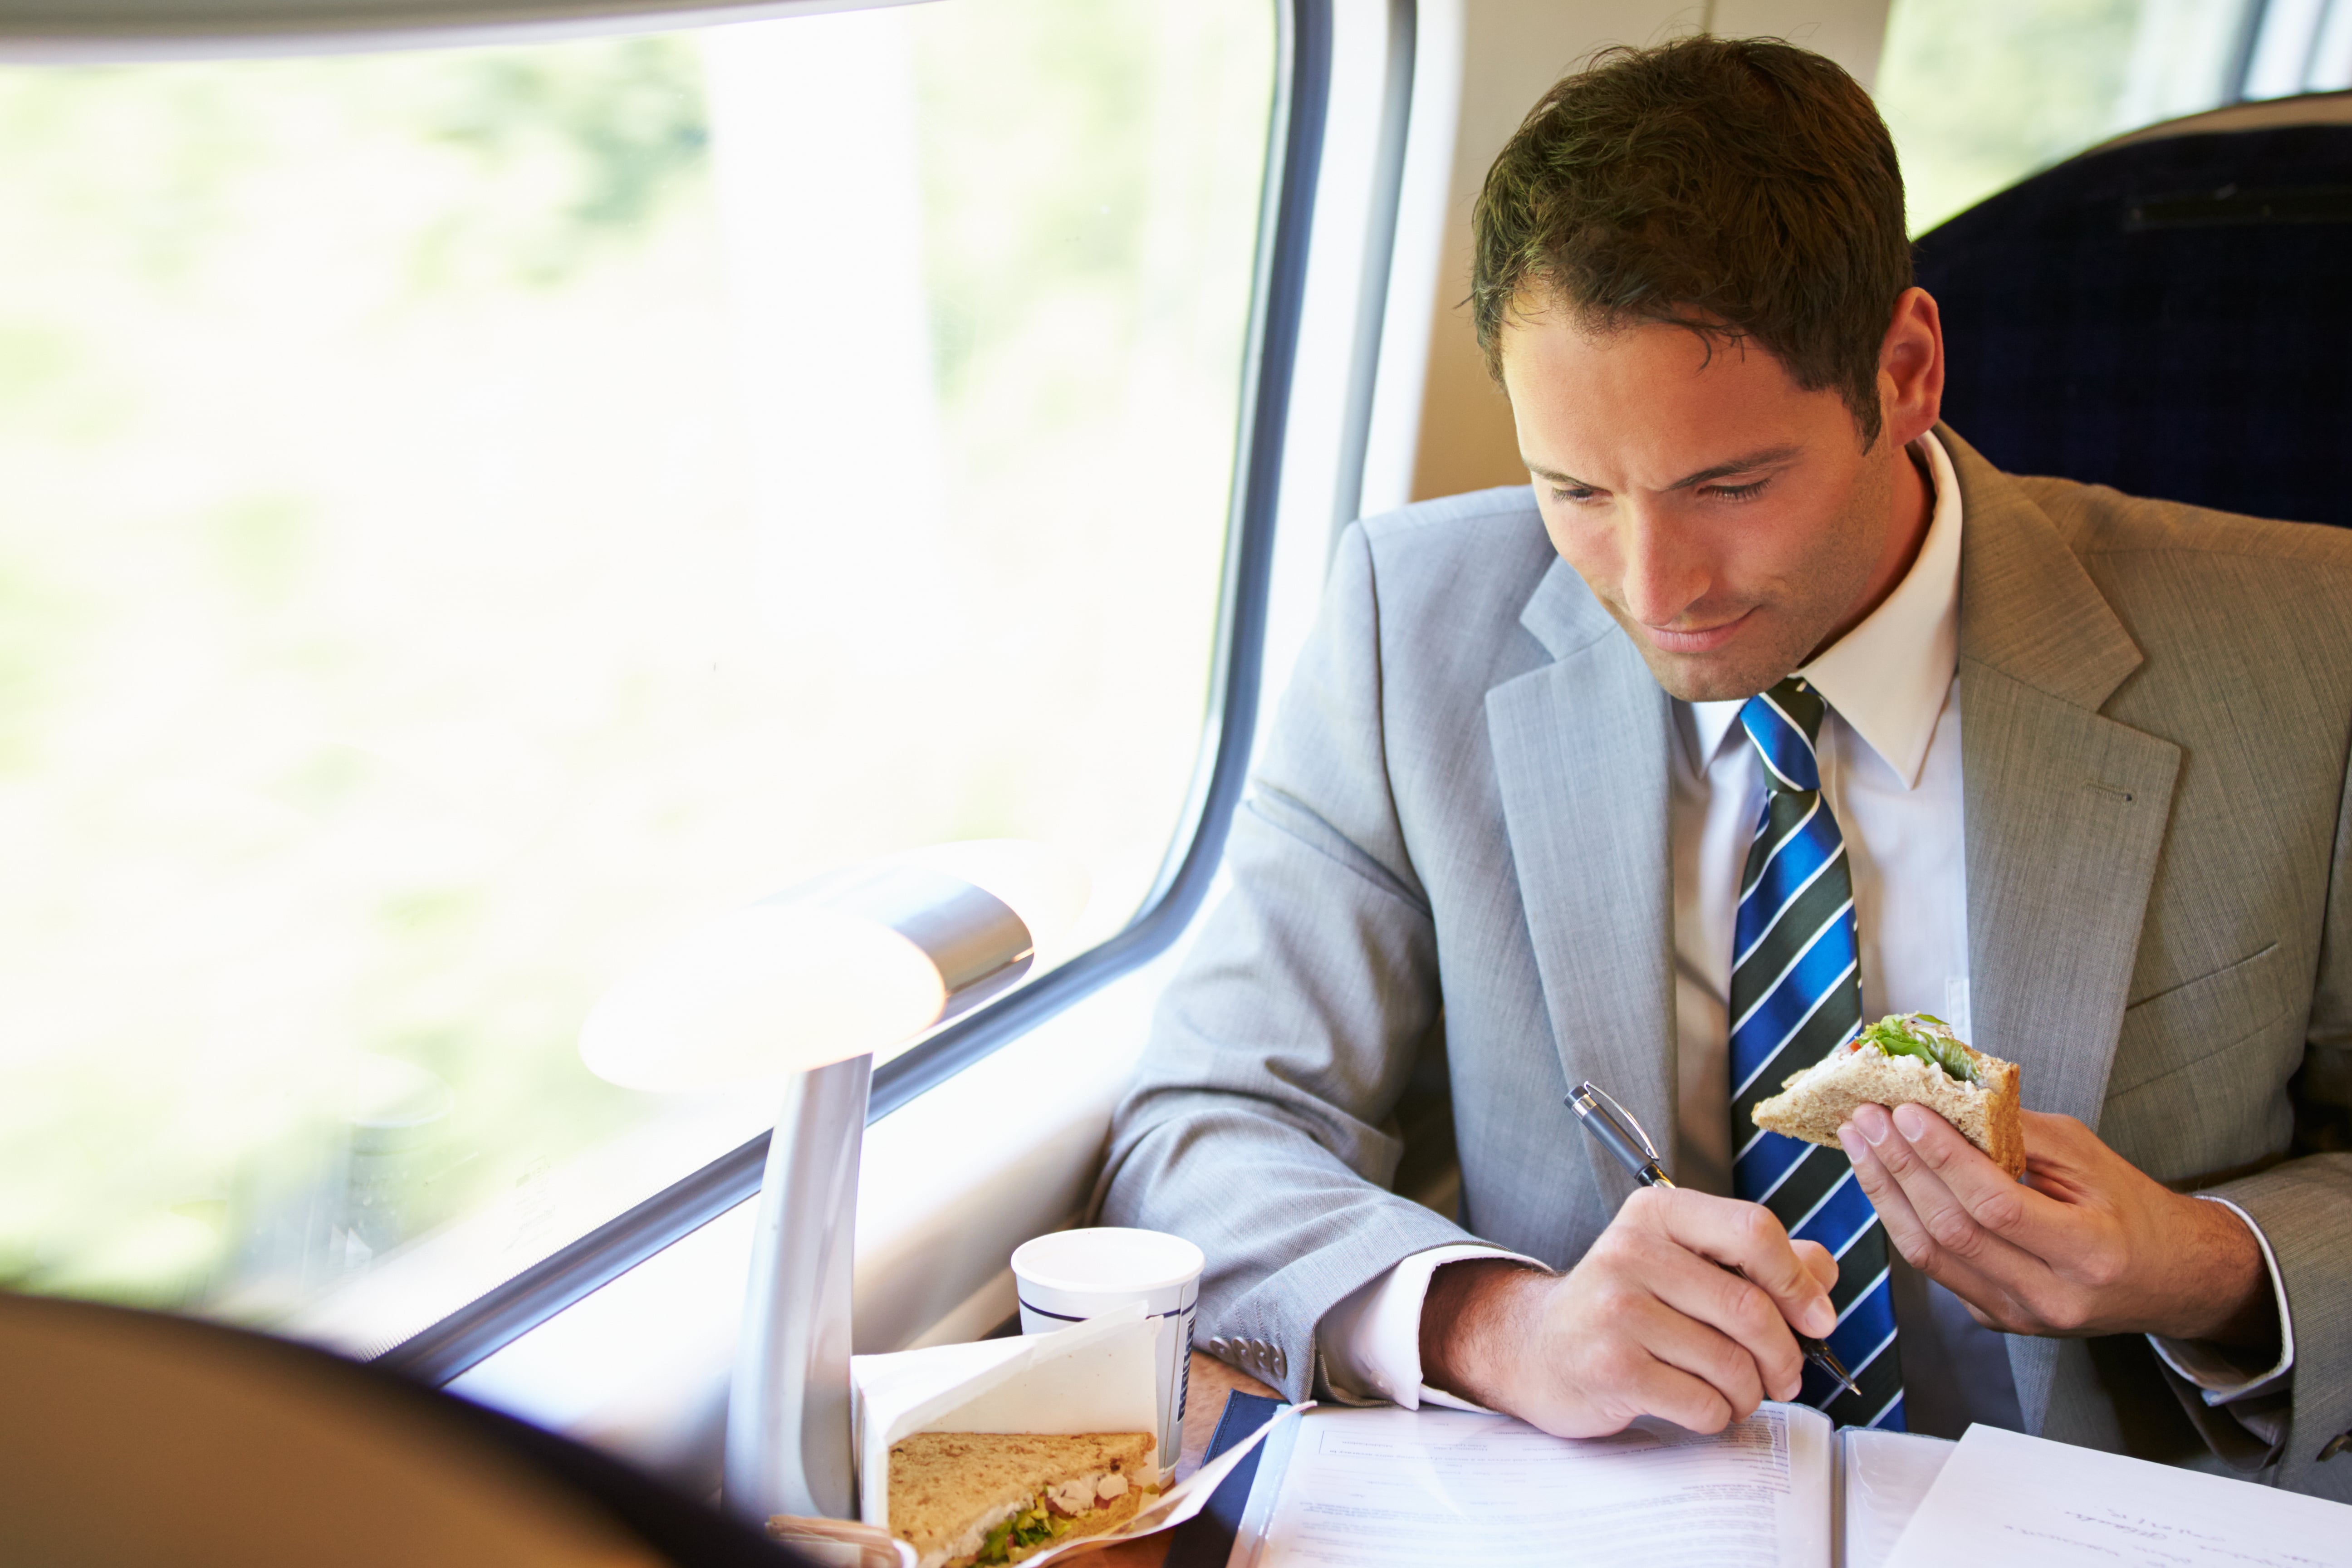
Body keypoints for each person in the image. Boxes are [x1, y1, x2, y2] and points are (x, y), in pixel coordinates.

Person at [1097, 35, 2352, 1499]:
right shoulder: (1408, 626)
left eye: (1731, 488)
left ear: (1904, 373)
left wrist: (2206, 1267)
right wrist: (1506, 1326)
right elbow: (1202, 1130)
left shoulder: (2307, 644)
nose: (1653, 584)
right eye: (1575, 489)